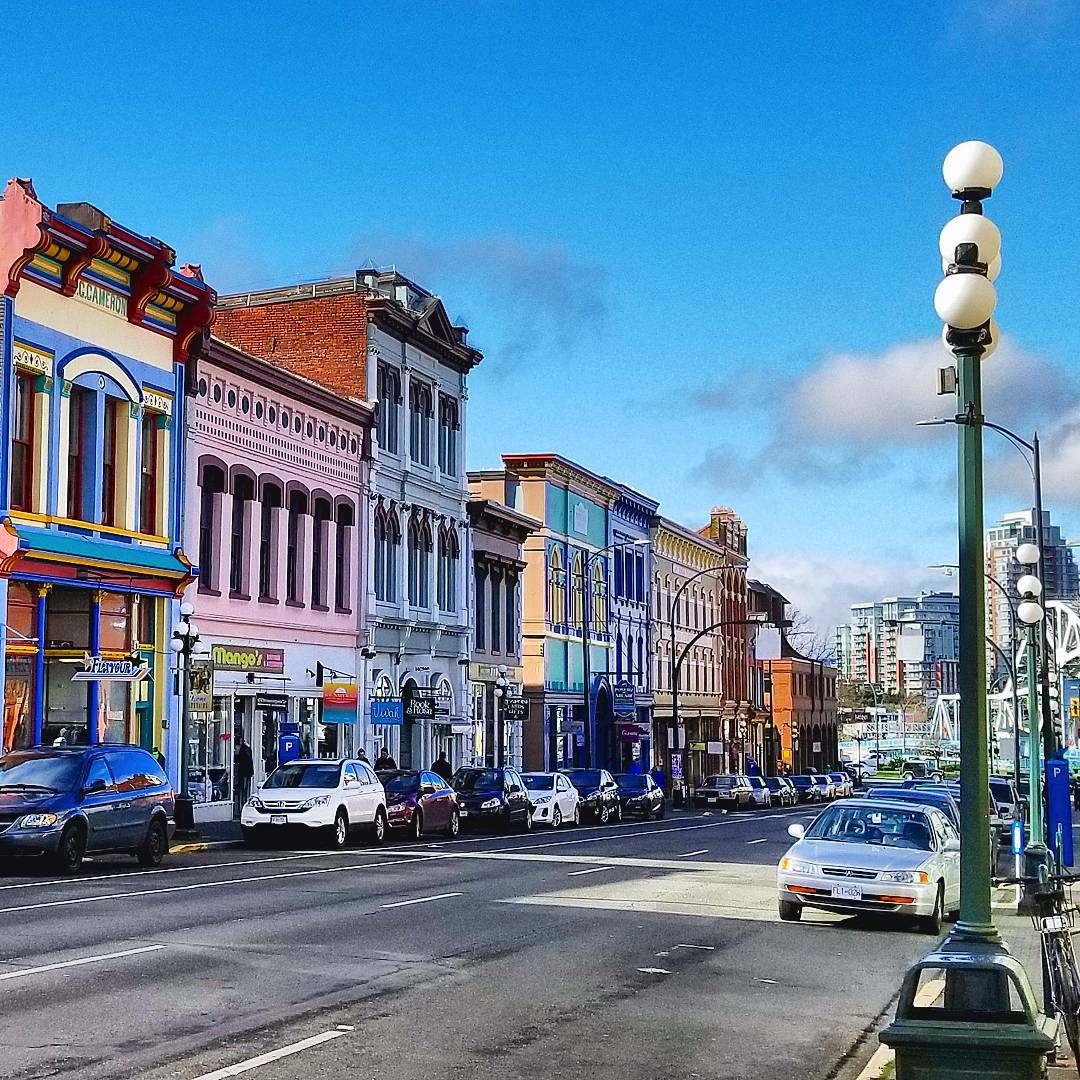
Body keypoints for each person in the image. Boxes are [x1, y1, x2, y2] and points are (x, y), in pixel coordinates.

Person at [234, 734, 254, 817]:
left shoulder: (243, 750)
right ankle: (243, 807)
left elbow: (239, 760)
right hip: (247, 773)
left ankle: (242, 808)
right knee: (245, 790)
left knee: (243, 790)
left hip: (243, 773)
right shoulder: (247, 749)